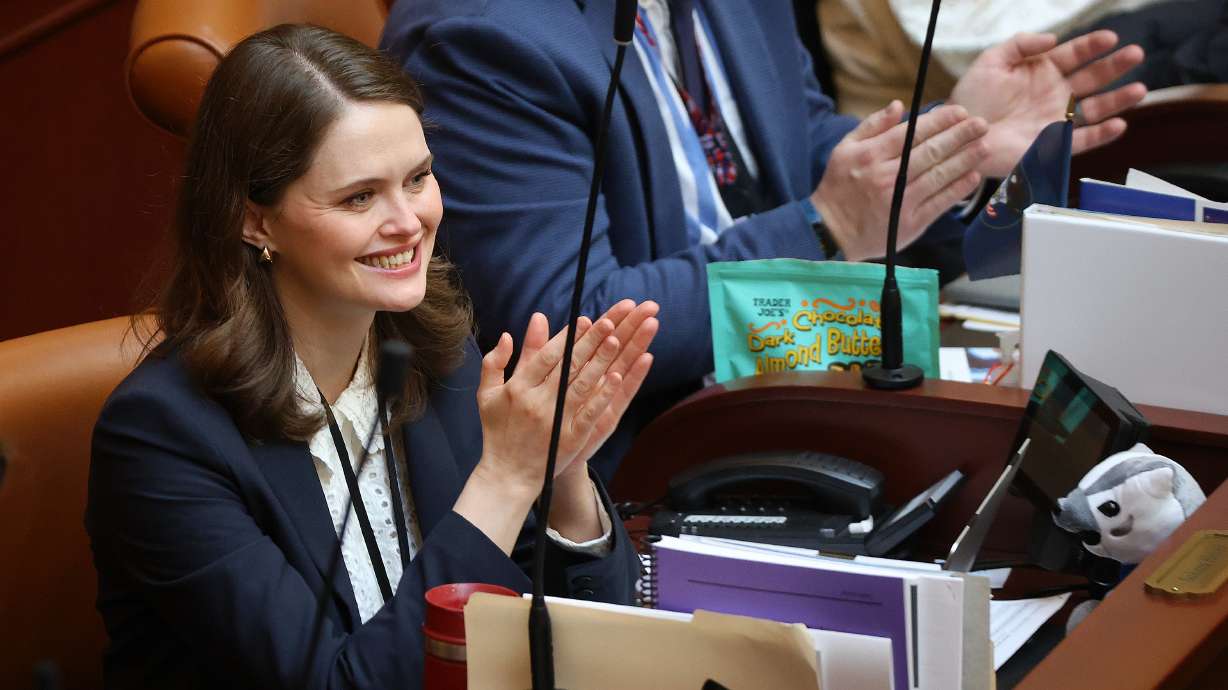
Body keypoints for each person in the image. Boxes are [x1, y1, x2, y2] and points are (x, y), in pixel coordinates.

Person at [86, 24, 658, 689]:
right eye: (360, 197)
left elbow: (594, 637)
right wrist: (503, 481)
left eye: (417, 179)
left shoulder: (430, 354)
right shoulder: (163, 438)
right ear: (255, 221)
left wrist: (563, 476)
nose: (408, 221)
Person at [381, 0, 1147, 479]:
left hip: (805, 379)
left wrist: (952, 145)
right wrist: (824, 227)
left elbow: (794, 143)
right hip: (646, 466)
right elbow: (569, 325)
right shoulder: (481, 33)